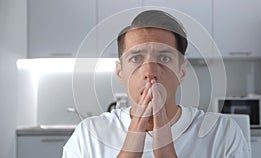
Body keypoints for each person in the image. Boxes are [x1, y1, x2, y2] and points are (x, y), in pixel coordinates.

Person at [62, 10, 250, 158]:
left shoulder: (222, 133)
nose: (150, 71)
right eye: (136, 58)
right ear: (120, 72)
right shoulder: (88, 134)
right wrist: (130, 148)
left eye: (164, 57)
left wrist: (165, 151)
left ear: (181, 72)